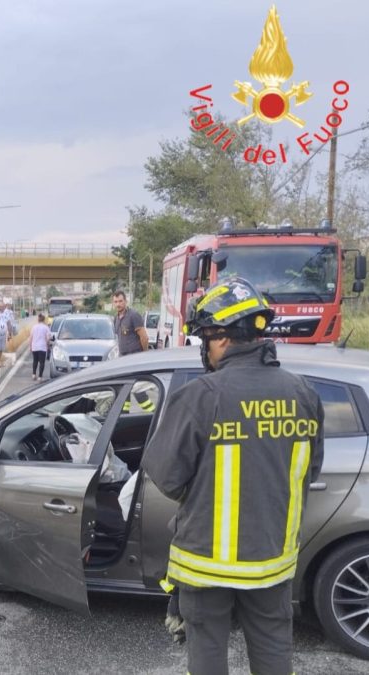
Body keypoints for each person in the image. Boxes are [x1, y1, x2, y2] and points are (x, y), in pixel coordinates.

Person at [141, 277, 325, 675]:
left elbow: (166, 478)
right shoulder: (304, 394)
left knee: (207, 651)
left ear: (221, 338)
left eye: (204, 338)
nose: (203, 349)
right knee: (275, 647)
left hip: (205, 563)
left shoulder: (200, 396)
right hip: (272, 560)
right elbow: (310, 470)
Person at [111, 290, 148, 355]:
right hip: (122, 357)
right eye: (116, 302)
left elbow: (144, 337)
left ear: (125, 301)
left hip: (134, 357)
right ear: (113, 303)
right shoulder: (116, 318)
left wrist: (145, 354)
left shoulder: (133, 315)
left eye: (120, 301)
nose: (118, 304)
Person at [29, 314, 50, 381]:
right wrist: (47, 345)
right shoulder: (46, 327)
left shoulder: (34, 327)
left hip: (35, 346)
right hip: (42, 347)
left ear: (38, 319)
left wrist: (30, 346)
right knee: (42, 362)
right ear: (44, 320)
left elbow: (31, 337)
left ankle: (34, 374)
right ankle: (40, 376)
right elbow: (48, 338)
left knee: (35, 361)